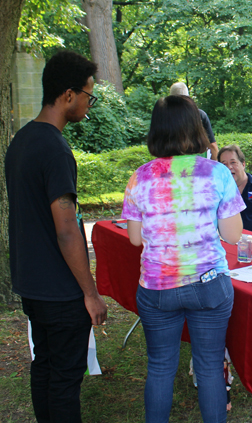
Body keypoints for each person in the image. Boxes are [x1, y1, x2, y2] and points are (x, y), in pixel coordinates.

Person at [122, 95, 245, 422]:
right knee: (208, 367)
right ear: (196, 128)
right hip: (209, 284)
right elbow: (233, 235)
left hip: (157, 287)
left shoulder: (140, 176)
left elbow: (135, 238)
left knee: (160, 367)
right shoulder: (217, 173)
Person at [5, 50, 108, 423]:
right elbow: (67, 229)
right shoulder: (55, 149)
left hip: (31, 284)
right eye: (88, 95)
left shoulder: (20, 143)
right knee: (64, 380)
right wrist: (90, 293)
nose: (88, 104)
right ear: (68, 95)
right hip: (60, 291)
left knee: (44, 367)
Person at [169, 82, 219, 160]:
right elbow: (212, 145)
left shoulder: (165, 119)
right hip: (197, 163)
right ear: (188, 97)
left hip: (172, 164)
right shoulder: (199, 115)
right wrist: (217, 167)